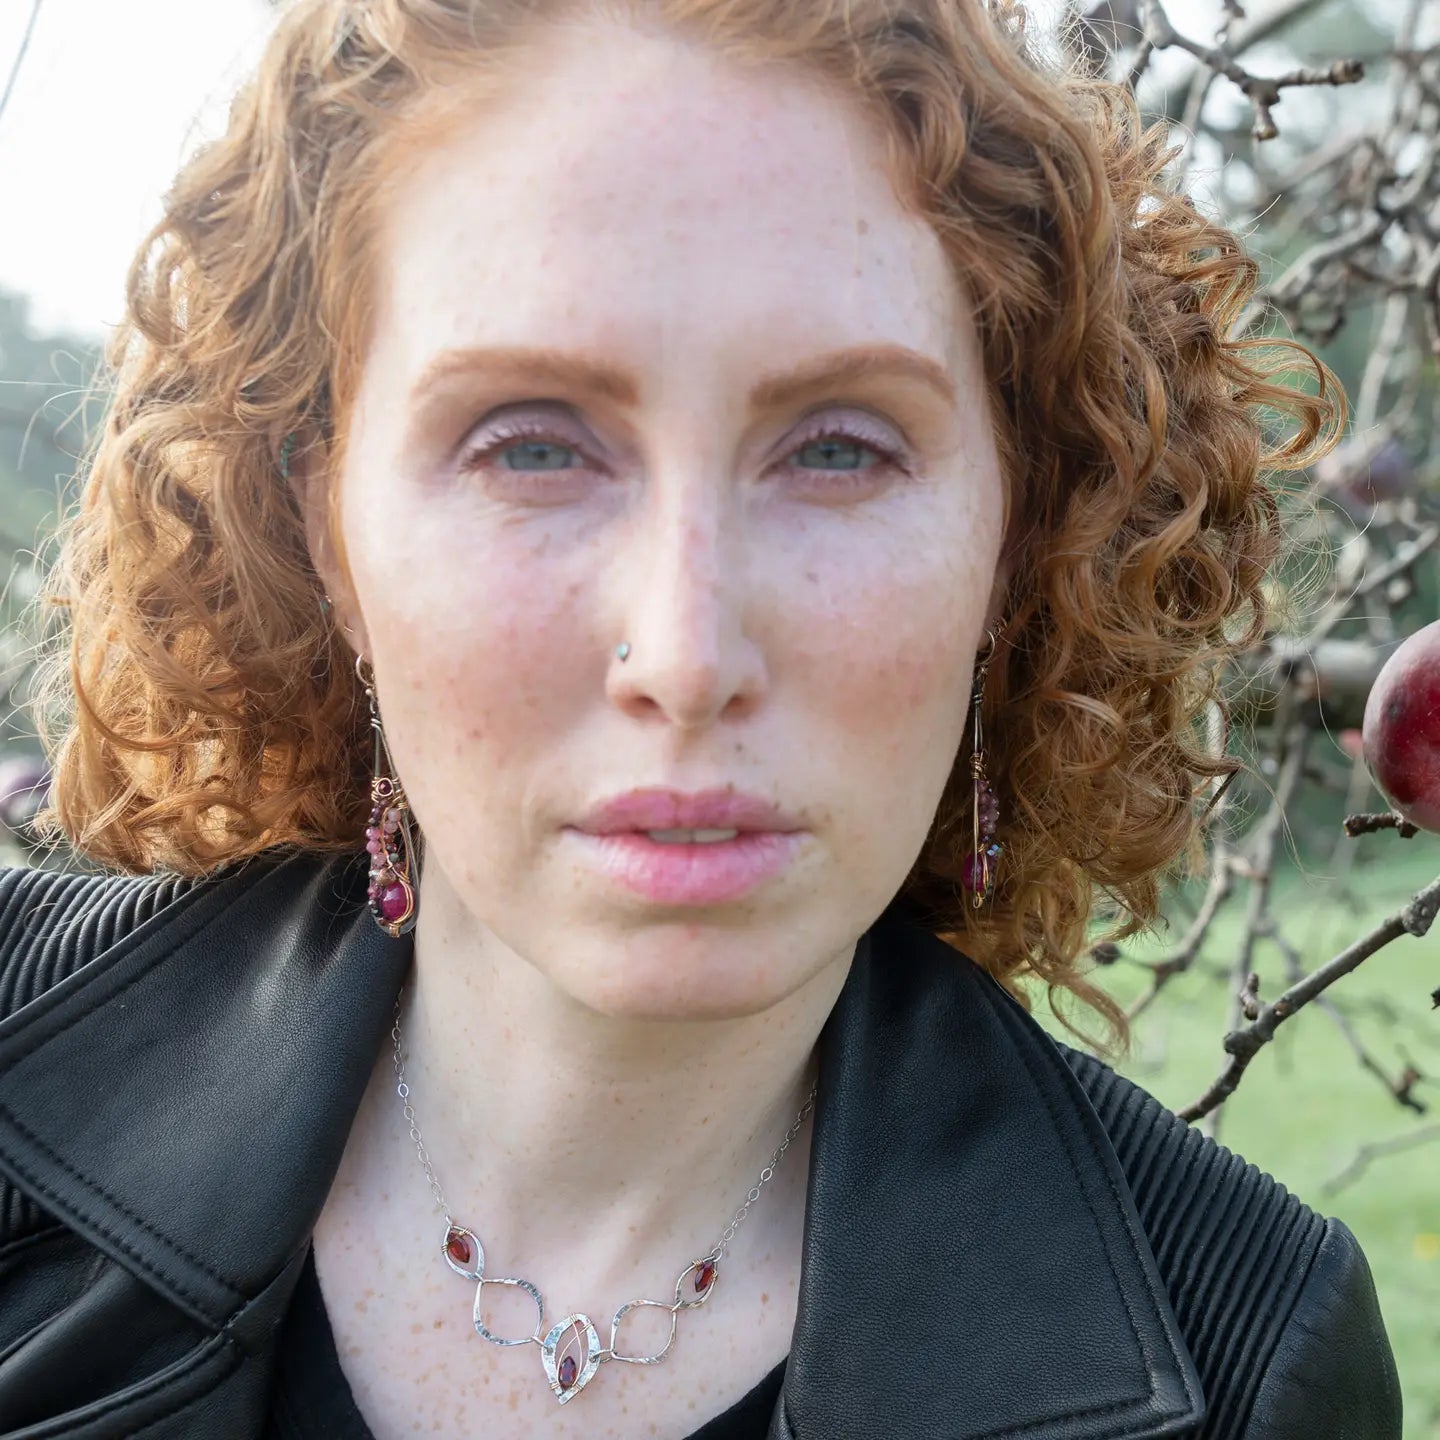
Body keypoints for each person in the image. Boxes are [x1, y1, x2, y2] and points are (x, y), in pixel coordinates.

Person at [0, 0, 1403, 1436]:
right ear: (329, 540)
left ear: (1017, 538)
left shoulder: (1252, 1367)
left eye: (841, 448)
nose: (686, 650)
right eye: (533, 445)